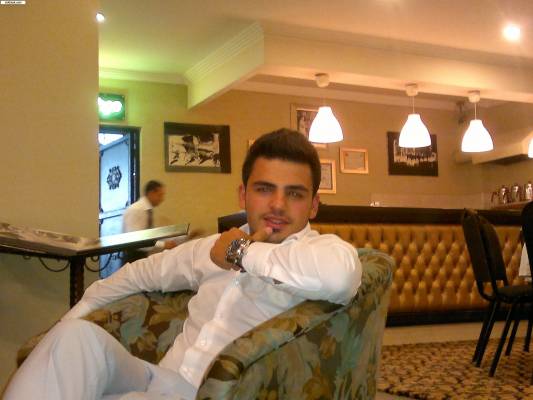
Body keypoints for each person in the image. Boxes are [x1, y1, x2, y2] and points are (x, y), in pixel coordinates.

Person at [4, 128, 362, 400]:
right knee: (74, 336)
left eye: (295, 193)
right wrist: (63, 325)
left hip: (214, 393)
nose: (278, 205)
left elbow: (340, 278)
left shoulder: (322, 252)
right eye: (264, 189)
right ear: (243, 195)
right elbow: (137, 275)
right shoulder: (210, 249)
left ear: (313, 205)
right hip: (158, 379)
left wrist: (240, 252)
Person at [122, 180, 178, 263]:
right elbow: (135, 239)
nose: (162, 199)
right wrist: (163, 245)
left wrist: (182, 237)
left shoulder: (147, 210)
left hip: (141, 256)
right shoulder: (136, 210)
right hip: (134, 257)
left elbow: (149, 235)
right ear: (151, 193)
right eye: (160, 195)